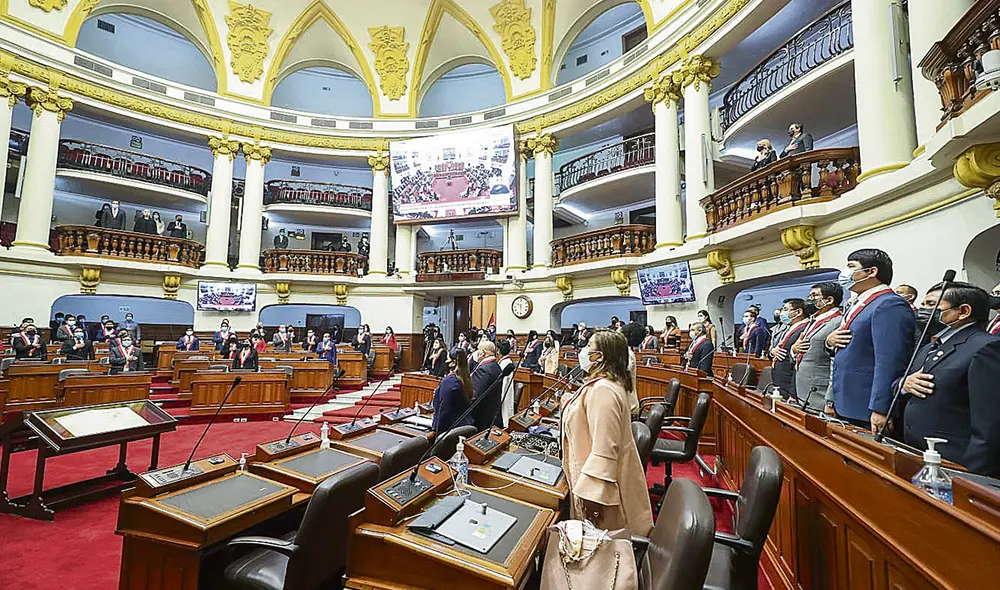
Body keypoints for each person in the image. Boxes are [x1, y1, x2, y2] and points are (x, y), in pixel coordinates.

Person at [895, 283, 1000, 476]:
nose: (924, 311)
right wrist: (904, 384)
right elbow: (901, 382)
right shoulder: (931, 345)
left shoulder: (986, 347)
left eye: (933, 305)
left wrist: (973, 477)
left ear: (964, 311)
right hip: (919, 453)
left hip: (956, 462)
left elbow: (990, 422)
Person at [561, 329, 653, 535]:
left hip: (603, 496)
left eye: (588, 347)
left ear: (599, 356)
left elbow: (605, 450)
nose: (583, 351)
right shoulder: (604, 384)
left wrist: (593, 497)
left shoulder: (604, 389)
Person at [826, 248, 915, 431]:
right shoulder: (861, 303)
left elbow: (890, 361)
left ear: (872, 271)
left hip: (867, 406)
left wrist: (881, 408)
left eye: (851, 266)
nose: (845, 272)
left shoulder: (889, 303)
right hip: (847, 401)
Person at [792, 282, 844, 413]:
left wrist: (830, 400)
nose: (809, 300)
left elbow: (836, 362)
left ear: (829, 300)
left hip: (821, 393)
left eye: (814, 296)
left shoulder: (838, 322)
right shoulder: (813, 320)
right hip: (804, 389)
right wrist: (794, 349)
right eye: (809, 296)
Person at [769, 298, 809, 400]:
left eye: (786, 309)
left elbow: (798, 360)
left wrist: (793, 393)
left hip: (791, 382)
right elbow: (779, 348)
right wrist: (772, 351)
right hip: (781, 380)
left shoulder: (804, 329)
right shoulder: (788, 328)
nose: (782, 313)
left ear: (798, 312)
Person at [431, 348, 474, 433]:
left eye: (448, 359)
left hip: (450, 429)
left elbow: (444, 411)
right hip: (463, 426)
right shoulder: (466, 378)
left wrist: (438, 436)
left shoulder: (450, 381)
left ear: (453, 363)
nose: (446, 361)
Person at [470, 341, 502, 430]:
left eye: (478, 350)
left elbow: (475, 397)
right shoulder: (495, 366)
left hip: (482, 421)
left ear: (483, 353)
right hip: (492, 415)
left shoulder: (483, 370)